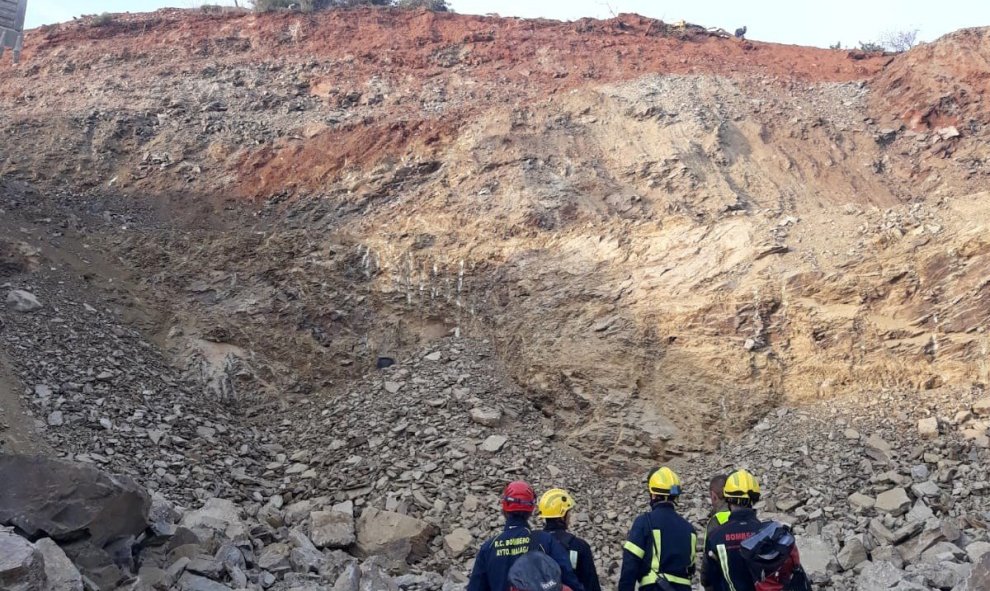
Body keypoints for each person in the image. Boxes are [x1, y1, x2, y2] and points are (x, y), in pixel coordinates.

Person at [468, 481, 586, 591]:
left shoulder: (489, 548)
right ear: (531, 510)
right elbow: (570, 581)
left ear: (504, 508)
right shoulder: (545, 541)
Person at [618, 467, 697, 591]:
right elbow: (691, 568)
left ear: (653, 494)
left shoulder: (644, 522)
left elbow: (630, 565)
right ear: (675, 496)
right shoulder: (689, 529)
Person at [703, 469, 766, 591]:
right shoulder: (767, 533)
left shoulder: (715, 536)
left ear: (727, 498)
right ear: (754, 499)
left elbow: (708, 578)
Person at [538, 488, 602, 591]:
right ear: (563, 515)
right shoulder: (579, 546)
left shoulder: (534, 543)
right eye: (569, 512)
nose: (570, 516)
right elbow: (591, 585)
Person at [700, 474, 730, 591]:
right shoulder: (743, 515)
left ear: (713, 496)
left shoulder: (716, 521)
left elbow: (709, 556)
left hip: (721, 583)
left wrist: (705, 581)